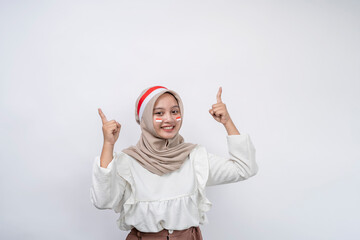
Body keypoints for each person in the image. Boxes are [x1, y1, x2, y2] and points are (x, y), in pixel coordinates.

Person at [91, 86, 258, 240]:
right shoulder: (128, 161)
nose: (169, 119)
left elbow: (244, 168)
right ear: (145, 118)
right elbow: (103, 201)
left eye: (174, 111)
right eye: (159, 113)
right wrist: (108, 144)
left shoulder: (194, 158)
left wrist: (227, 122)